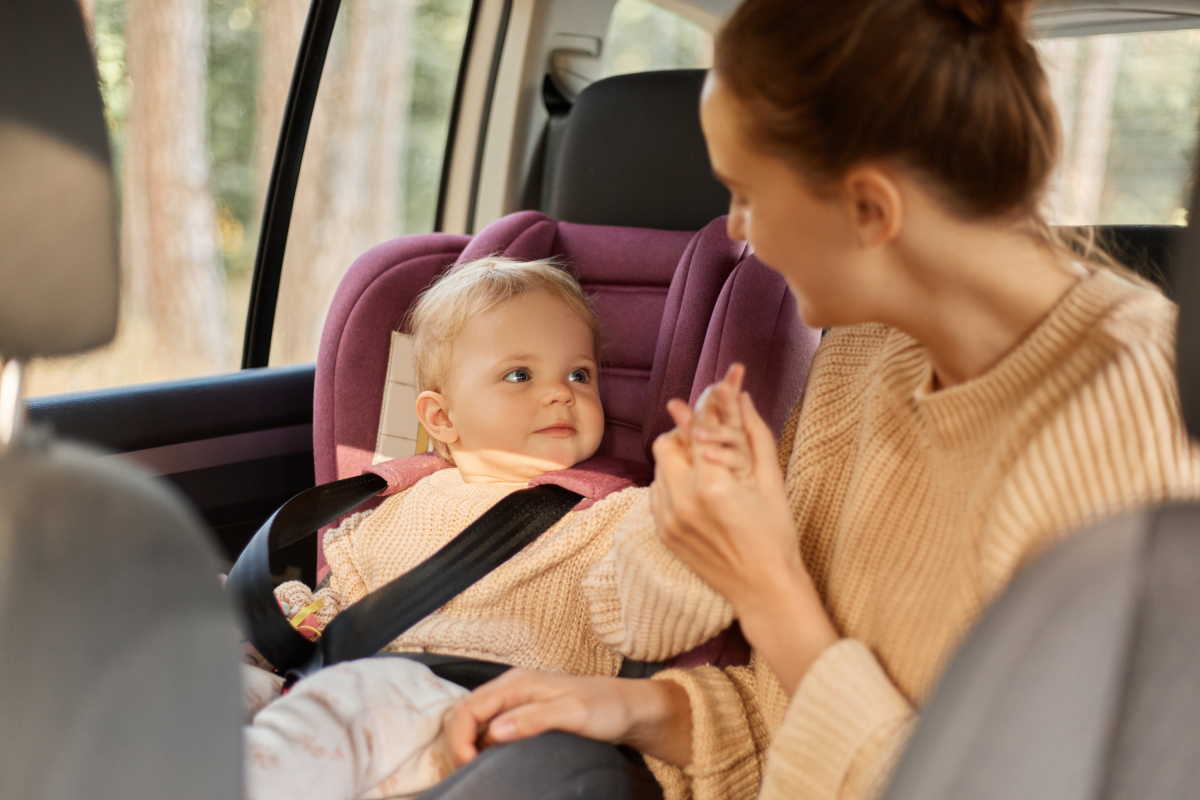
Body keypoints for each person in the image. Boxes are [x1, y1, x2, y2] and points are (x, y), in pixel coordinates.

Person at [434, 1, 1200, 799]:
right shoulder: (866, 353)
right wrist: (623, 705)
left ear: (870, 208)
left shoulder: (1131, 421)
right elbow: (792, 719)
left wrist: (771, 590)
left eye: (746, 194)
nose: (737, 231)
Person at [241, 256, 737, 800]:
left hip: (489, 719)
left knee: (349, 698)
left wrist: (687, 513)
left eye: (580, 374)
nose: (561, 393)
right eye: (519, 375)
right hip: (364, 713)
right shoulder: (394, 507)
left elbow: (656, 622)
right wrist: (272, 630)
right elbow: (341, 618)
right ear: (442, 419)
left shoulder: (614, 516)